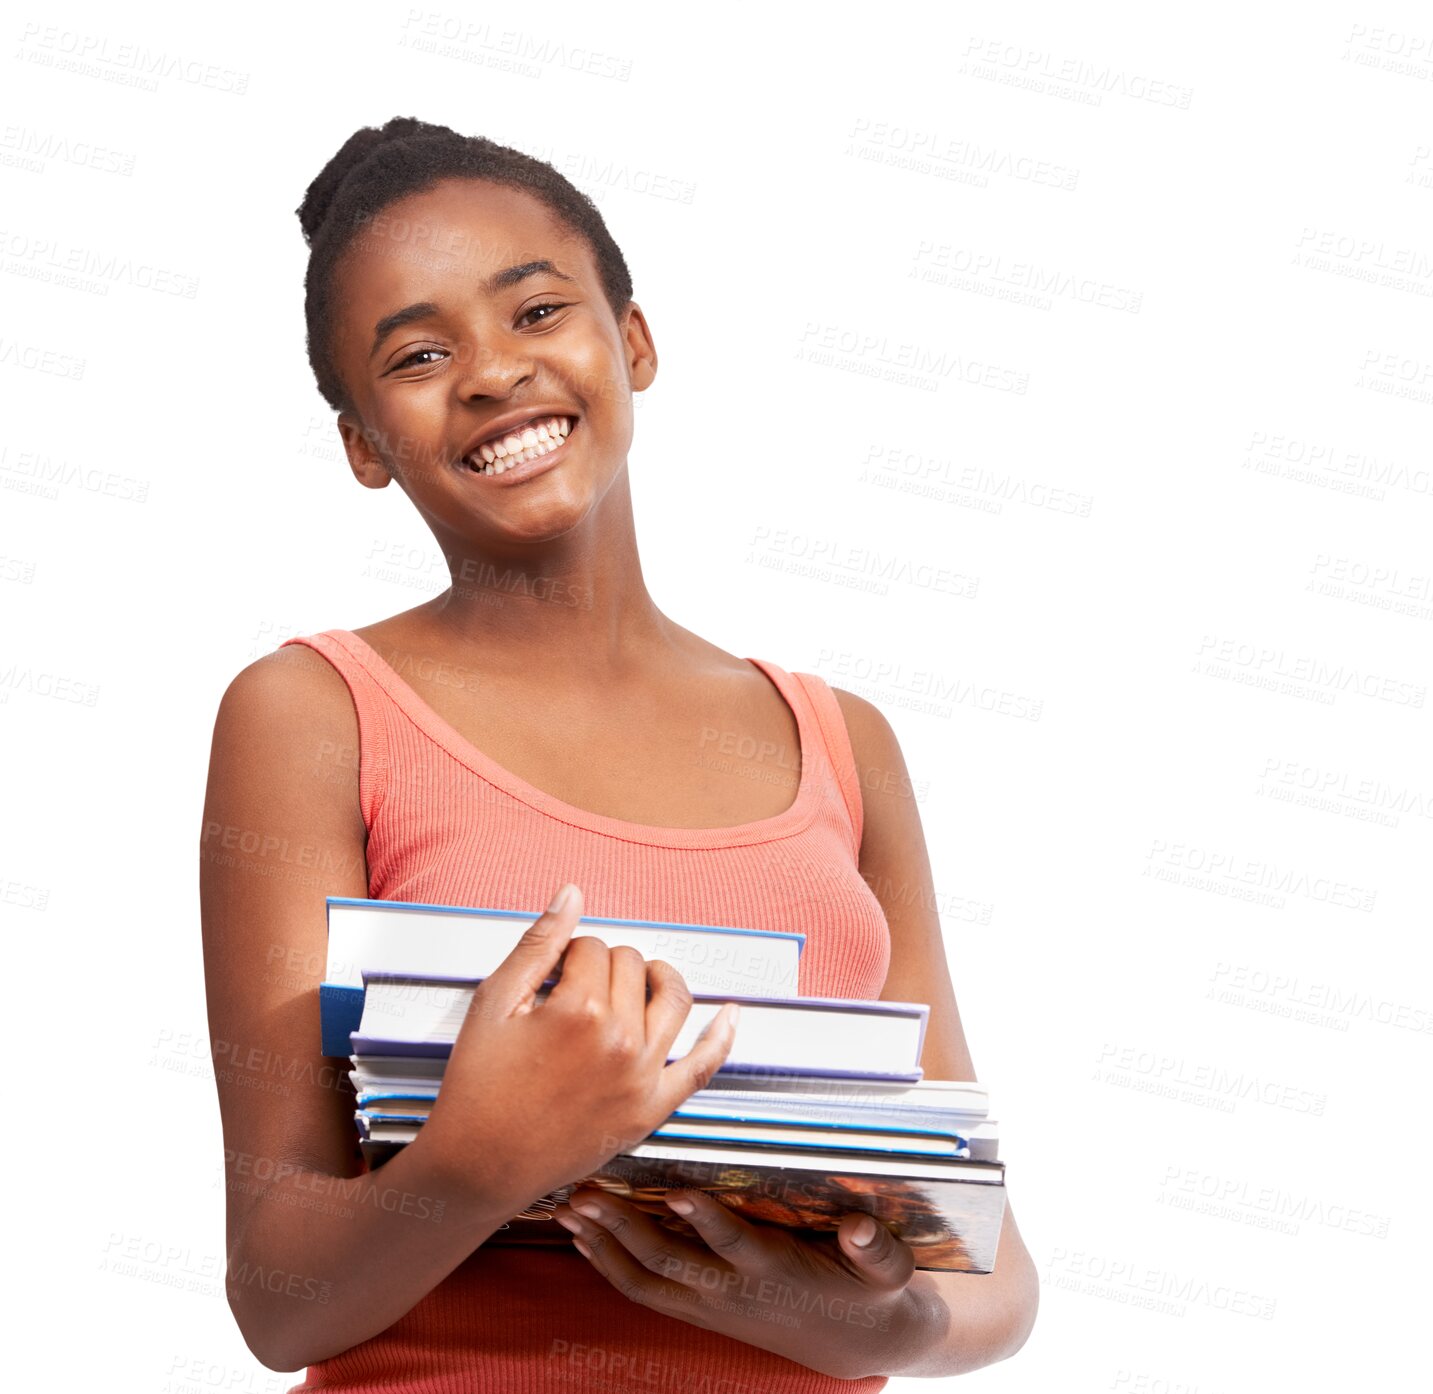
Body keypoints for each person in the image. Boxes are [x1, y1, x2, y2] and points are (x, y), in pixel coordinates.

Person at [199, 116, 1038, 1393]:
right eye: (420, 355)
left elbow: (988, 1277)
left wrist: (870, 1322)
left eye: (534, 311)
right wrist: (485, 1155)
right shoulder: (310, 712)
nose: (490, 373)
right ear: (365, 443)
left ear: (631, 341)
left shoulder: (842, 739)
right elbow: (277, 1296)